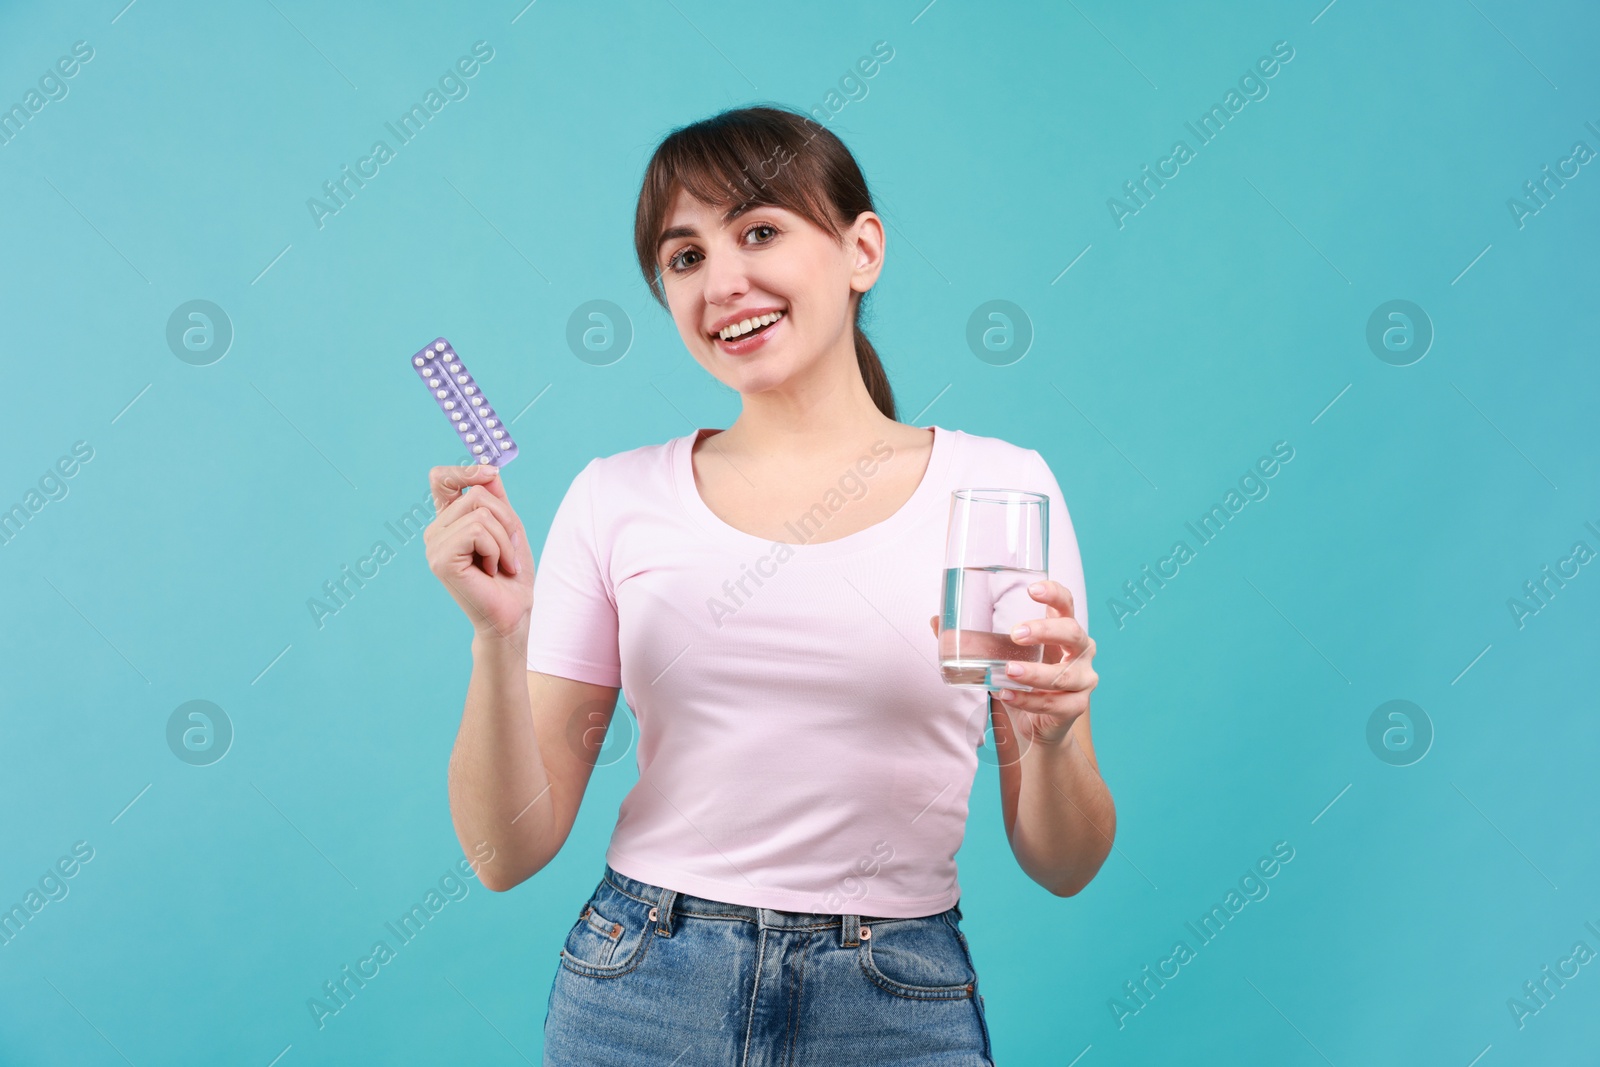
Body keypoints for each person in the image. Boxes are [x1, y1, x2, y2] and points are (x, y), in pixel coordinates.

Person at [426, 104, 1113, 1065]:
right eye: (684, 257)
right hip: (640, 989)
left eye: (758, 231)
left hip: (895, 993)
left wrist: (1057, 735)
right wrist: (497, 638)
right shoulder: (615, 497)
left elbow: (1064, 863)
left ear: (861, 248)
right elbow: (505, 853)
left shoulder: (995, 492)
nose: (723, 281)